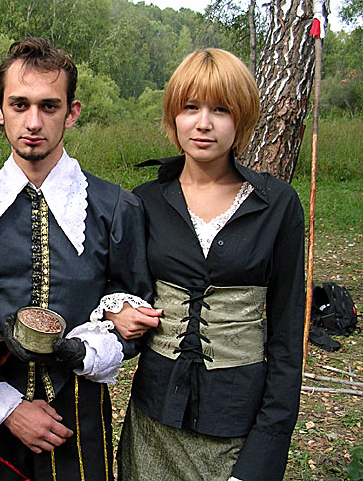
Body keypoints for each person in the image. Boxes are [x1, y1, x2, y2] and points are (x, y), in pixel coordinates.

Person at [0, 37, 160, 481]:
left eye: (49, 106)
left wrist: (91, 346)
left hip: (80, 417)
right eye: (20, 104)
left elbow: (135, 309)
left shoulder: (115, 208)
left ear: (72, 112)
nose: (33, 122)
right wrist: (5, 406)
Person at [109, 48, 305, 481]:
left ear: (241, 118)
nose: (203, 123)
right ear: (173, 116)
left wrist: (263, 455)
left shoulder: (278, 205)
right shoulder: (145, 200)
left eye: (221, 109)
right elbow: (117, 288)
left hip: (237, 426)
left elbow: (288, 336)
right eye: (190, 107)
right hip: (153, 422)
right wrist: (116, 309)